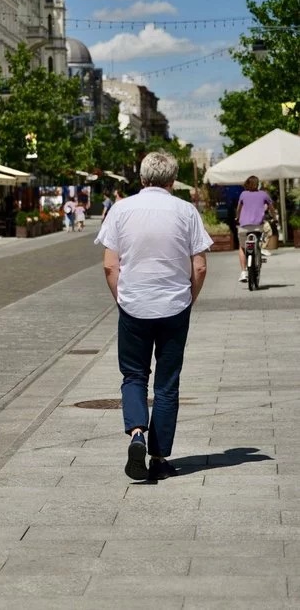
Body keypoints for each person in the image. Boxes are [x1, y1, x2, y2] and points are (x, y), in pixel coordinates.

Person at [94, 151, 211, 481]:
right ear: (172, 180)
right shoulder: (186, 211)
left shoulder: (121, 209)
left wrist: (123, 299)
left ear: (142, 178)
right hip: (174, 304)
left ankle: (136, 435)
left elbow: (108, 264)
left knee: (133, 375)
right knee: (167, 383)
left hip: (134, 306)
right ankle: (159, 456)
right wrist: (189, 299)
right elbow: (199, 266)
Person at [235, 175, 277, 283]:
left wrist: (237, 218)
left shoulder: (243, 194)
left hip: (244, 227)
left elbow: (238, 209)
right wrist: (275, 218)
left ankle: (243, 272)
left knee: (242, 247)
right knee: (267, 231)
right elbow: (271, 209)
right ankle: (261, 248)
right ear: (258, 184)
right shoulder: (264, 194)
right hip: (258, 226)